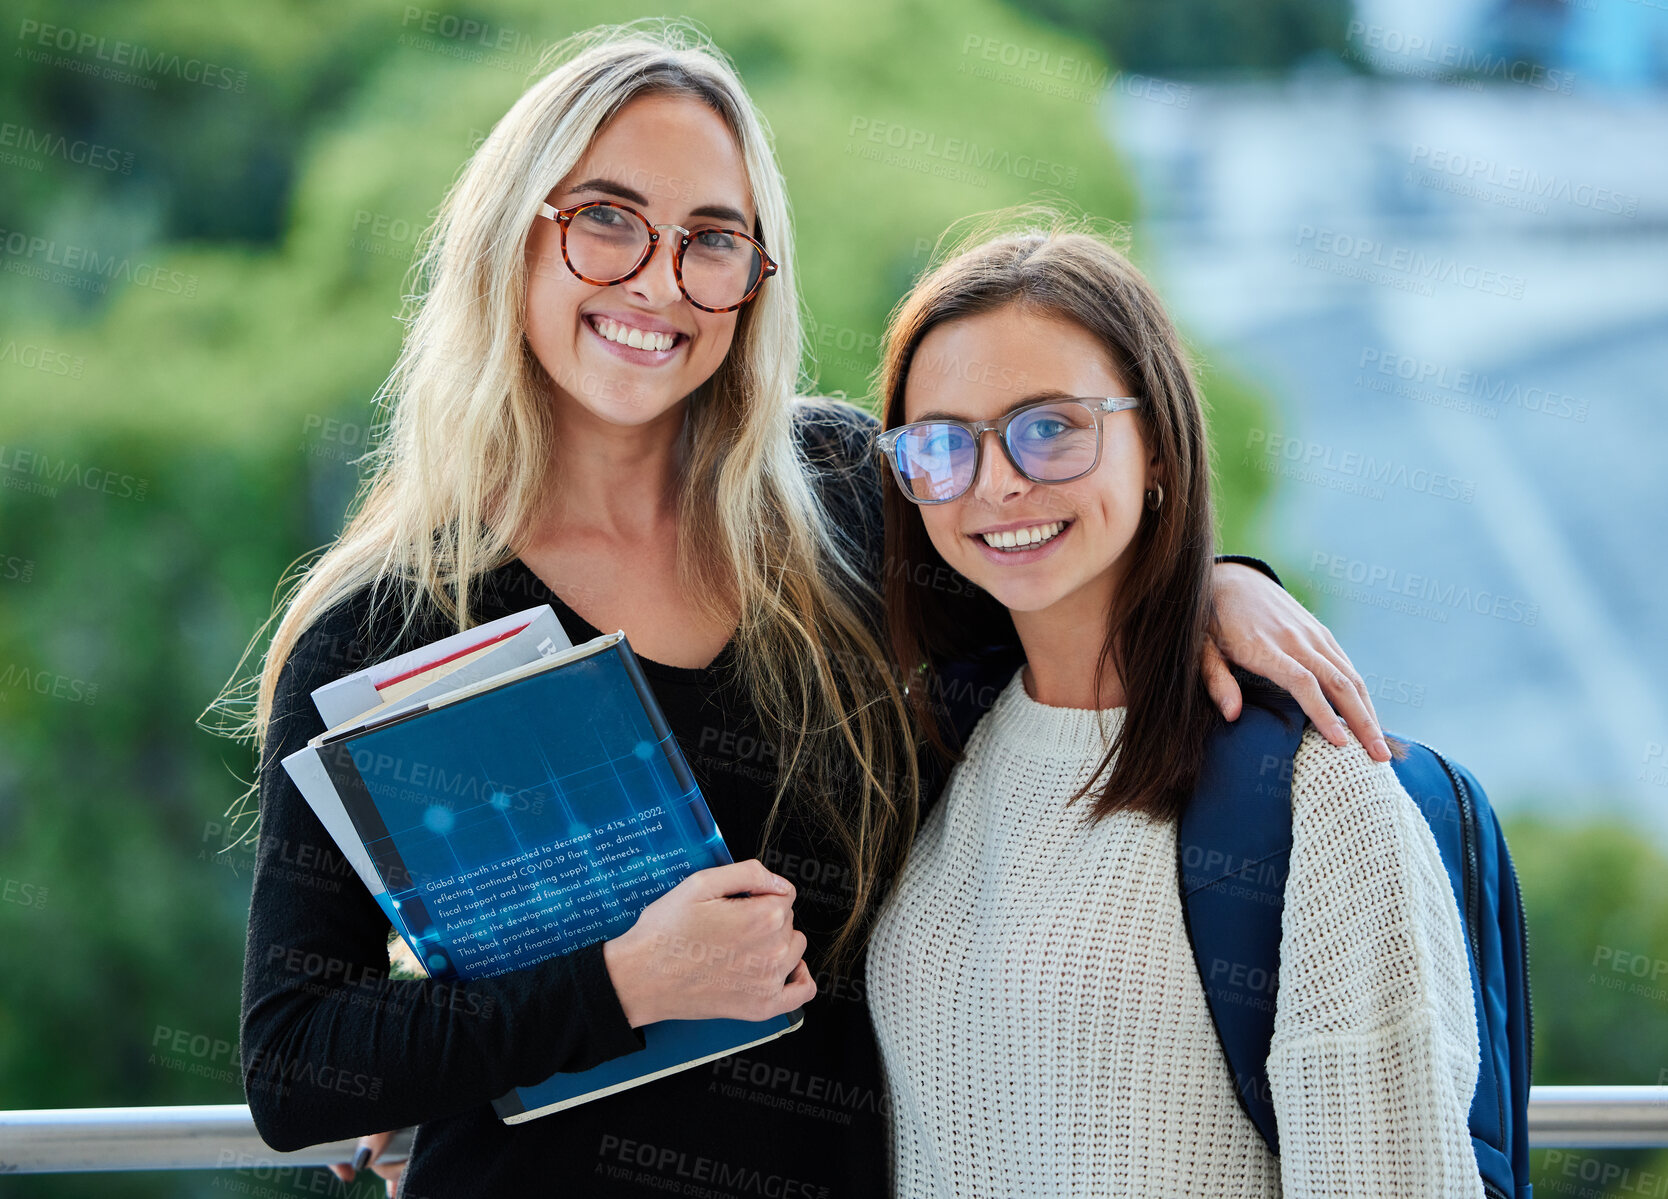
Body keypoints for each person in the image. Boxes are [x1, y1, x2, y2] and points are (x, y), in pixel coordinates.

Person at [223, 24, 1388, 1196]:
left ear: (756, 279)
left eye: (713, 241)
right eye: (607, 220)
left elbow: (1054, 556)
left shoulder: (841, 499)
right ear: (512, 237)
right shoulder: (385, 625)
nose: (659, 281)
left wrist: (1218, 585)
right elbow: (295, 1063)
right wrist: (625, 983)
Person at [865, 219, 1482, 1196]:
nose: (997, 481)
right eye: (943, 442)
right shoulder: (932, 747)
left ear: (1156, 444)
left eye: (1052, 426)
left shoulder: (1317, 792)